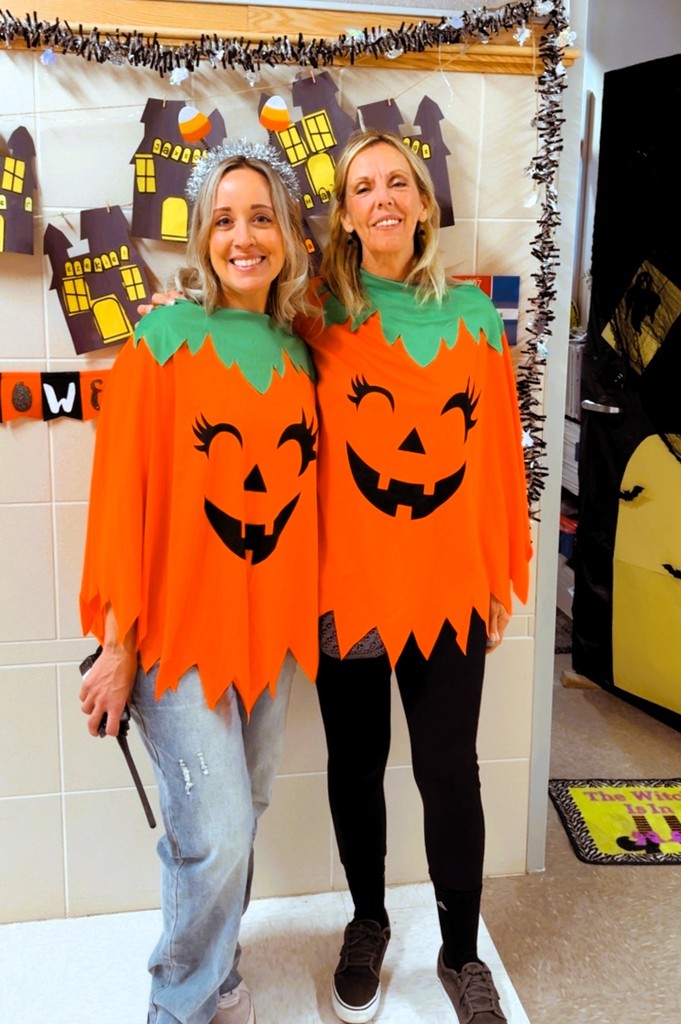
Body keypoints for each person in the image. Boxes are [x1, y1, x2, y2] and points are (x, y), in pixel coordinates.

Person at [78, 140, 319, 1024]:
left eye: (260, 218)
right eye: (223, 220)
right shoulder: (162, 341)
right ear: (201, 238)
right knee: (213, 834)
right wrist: (117, 645)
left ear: (288, 235)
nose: (242, 237)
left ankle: (217, 979)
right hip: (172, 636)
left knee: (240, 818)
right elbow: (120, 501)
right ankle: (177, 1006)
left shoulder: (300, 354)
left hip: (267, 636)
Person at [301, 129, 532, 1024]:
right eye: (363, 187)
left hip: (446, 588)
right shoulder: (315, 315)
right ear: (344, 215)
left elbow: (498, 456)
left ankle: (460, 952)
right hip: (347, 586)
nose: (383, 198)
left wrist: (501, 570)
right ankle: (367, 921)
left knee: (448, 771)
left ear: (424, 205)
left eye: (397, 182)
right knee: (356, 765)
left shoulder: (471, 319)